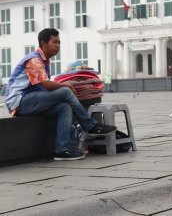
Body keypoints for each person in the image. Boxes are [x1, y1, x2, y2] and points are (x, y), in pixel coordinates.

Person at [3, 28, 117, 161]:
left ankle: (62, 150)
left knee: (64, 106)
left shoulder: (44, 61)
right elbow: (46, 85)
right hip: (20, 102)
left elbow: (43, 87)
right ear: (44, 43)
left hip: (30, 100)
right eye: (55, 42)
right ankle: (91, 126)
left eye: (59, 43)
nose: (58, 46)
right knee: (65, 91)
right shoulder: (34, 60)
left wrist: (65, 85)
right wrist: (66, 85)